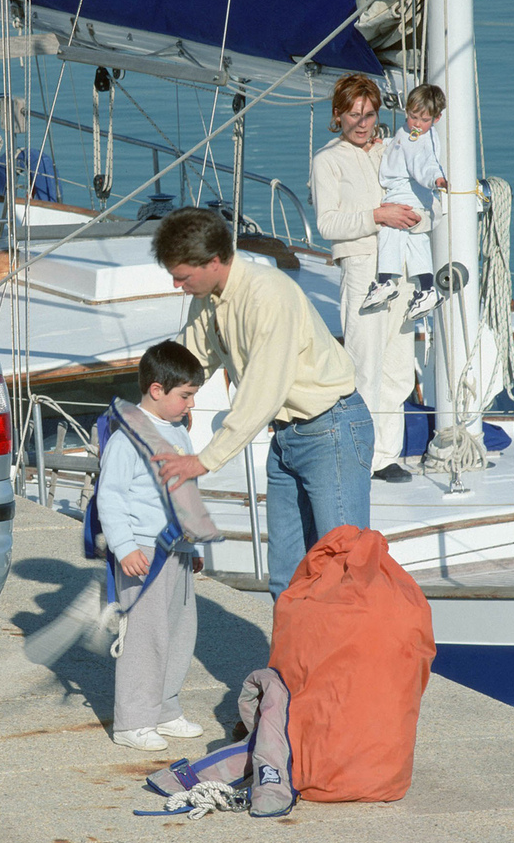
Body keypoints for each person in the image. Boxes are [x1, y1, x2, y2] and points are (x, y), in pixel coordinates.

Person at [149, 207, 373, 598]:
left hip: (332, 430)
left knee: (343, 567)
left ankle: (358, 640)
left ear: (213, 262)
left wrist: (204, 461)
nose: (176, 285)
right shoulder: (209, 298)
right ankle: (289, 642)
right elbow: (189, 359)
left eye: (182, 276)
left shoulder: (268, 295)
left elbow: (263, 390)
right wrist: (146, 413)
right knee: (286, 576)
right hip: (286, 437)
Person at [310, 73, 424, 484]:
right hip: (362, 266)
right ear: (338, 114)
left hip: (402, 265)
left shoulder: (389, 150)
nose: (362, 123)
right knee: (365, 364)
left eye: (370, 114)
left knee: (398, 366)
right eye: (354, 115)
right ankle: (362, 456)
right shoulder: (328, 160)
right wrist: (378, 216)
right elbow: (327, 223)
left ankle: (387, 454)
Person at [97, 341, 207, 752]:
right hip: (143, 553)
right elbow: (110, 496)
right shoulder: (129, 438)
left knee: (179, 633)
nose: (191, 404)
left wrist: (193, 545)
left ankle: (164, 708)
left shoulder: (178, 432)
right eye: (186, 395)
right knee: (144, 637)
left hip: (178, 550)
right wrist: (124, 547)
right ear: (157, 390)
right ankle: (133, 721)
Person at [363, 83, 447, 324]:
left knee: (390, 231)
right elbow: (402, 144)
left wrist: (436, 179)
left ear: (437, 119)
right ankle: (427, 289)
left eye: (424, 119)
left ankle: (385, 281)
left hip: (405, 192)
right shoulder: (410, 132)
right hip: (414, 195)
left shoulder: (424, 141)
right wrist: (384, 142)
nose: (417, 124)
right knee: (417, 242)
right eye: (412, 116)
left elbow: (426, 163)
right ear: (407, 111)